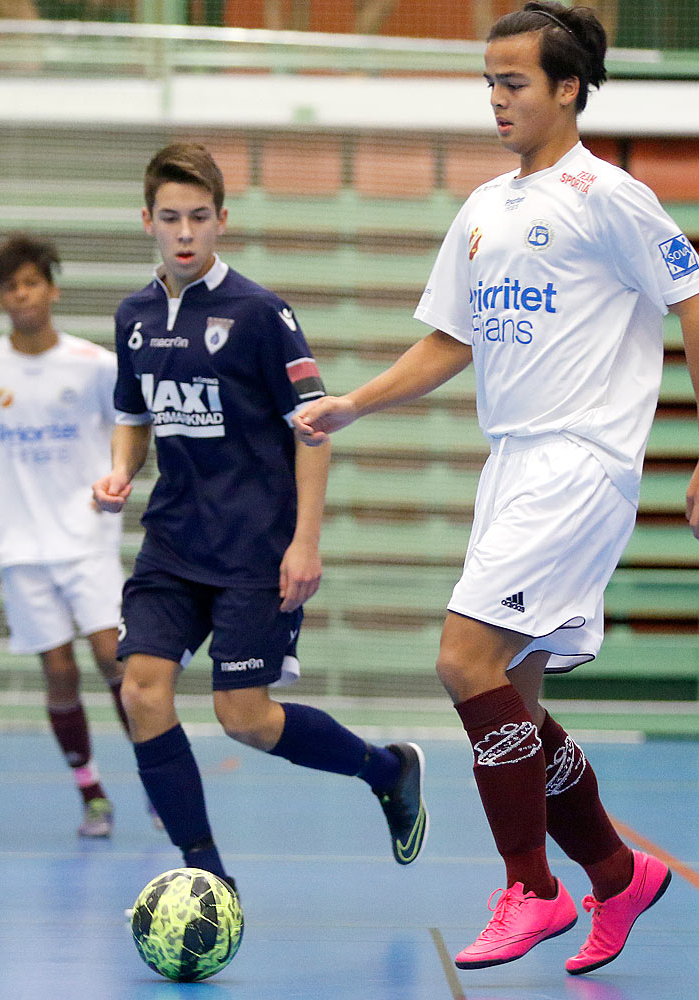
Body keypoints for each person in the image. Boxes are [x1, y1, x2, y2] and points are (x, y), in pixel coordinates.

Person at [293, 2, 699, 976]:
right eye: (488, 81)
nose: (496, 99)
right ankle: (618, 875)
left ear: (568, 89)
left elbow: (697, 311)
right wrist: (354, 402)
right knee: (516, 713)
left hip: (580, 463)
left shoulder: (607, 197)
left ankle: (532, 887)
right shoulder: (485, 209)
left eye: (515, 82)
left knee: (461, 659)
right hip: (513, 466)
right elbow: (451, 339)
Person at [92, 143, 427, 891]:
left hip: (255, 550)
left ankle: (386, 770)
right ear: (146, 221)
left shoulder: (260, 313)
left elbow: (314, 428)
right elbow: (132, 414)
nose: (185, 232)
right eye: (171, 217)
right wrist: (120, 470)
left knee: (243, 715)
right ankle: (208, 879)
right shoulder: (135, 317)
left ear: (221, 222)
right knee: (141, 688)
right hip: (172, 543)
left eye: (200, 218)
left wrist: (305, 542)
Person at [0, 234, 149, 838]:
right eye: (9, 286)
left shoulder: (94, 364)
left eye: (30, 282)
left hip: (87, 537)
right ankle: (92, 796)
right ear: (0, 298)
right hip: (22, 547)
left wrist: (117, 475)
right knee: (58, 671)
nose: (21, 294)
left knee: (114, 657)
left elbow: (131, 427)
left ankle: (158, 779)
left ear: (51, 289)